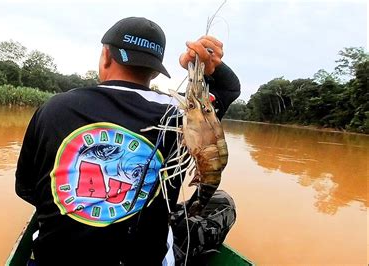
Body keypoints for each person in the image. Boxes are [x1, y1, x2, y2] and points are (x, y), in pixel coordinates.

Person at [15, 17, 240, 266]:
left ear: (106, 56)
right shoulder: (180, 117)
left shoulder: (53, 107)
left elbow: (26, 190)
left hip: (51, 259)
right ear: (155, 70)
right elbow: (229, 89)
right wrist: (209, 65)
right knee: (221, 203)